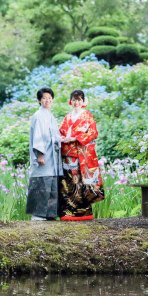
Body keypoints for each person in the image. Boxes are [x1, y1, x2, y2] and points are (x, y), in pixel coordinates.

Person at [58, 89, 104, 221]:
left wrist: (74, 138)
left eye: (79, 100)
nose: (76, 102)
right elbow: (61, 131)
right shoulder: (67, 117)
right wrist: (62, 138)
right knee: (68, 182)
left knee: (81, 182)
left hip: (81, 155)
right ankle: (67, 212)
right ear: (70, 101)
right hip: (67, 154)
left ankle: (83, 213)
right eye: (74, 99)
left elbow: (93, 133)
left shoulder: (87, 116)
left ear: (83, 101)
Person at [26, 87, 62, 220]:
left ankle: (50, 214)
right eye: (44, 98)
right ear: (39, 100)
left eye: (49, 98)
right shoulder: (39, 115)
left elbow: (55, 136)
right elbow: (38, 136)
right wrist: (40, 155)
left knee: (52, 183)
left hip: (53, 156)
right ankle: (38, 215)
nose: (47, 100)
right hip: (44, 156)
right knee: (42, 183)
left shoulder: (50, 115)